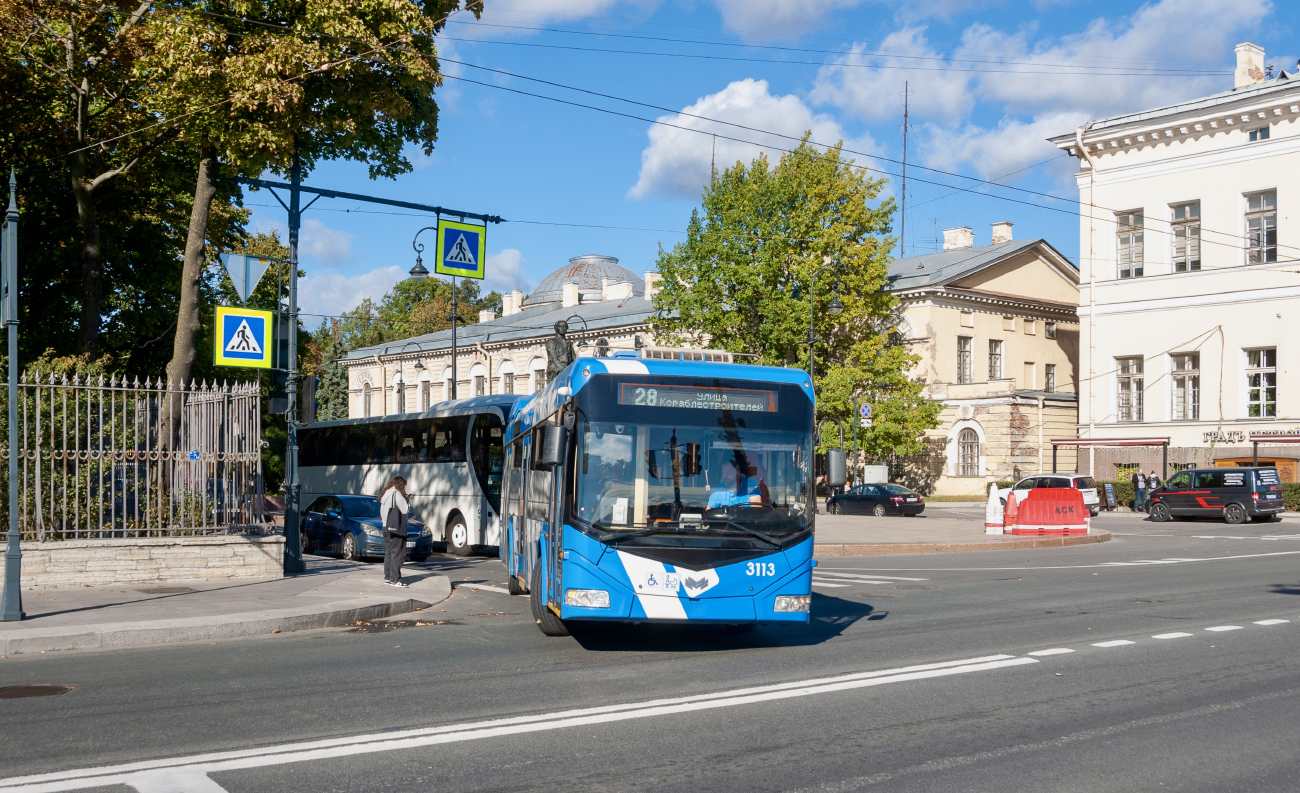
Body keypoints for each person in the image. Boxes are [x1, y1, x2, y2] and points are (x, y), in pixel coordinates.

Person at [380, 476, 410, 587]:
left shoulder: (385, 494)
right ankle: (395, 580)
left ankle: (387, 578)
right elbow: (405, 509)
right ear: (400, 484)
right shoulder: (396, 494)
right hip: (396, 528)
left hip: (385, 527)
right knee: (397, 553)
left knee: (389, 552)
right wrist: (408, 501)